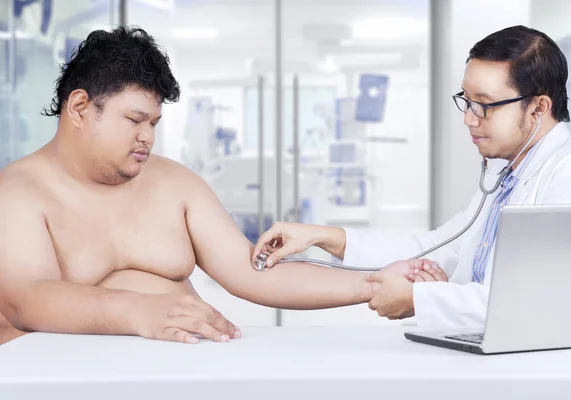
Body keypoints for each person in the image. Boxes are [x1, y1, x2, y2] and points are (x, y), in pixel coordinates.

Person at [0, 26, 432, 345]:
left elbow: (252, 275)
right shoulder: (19, 193)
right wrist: (138, 310)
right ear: (79, 107)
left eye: (154, 123)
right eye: (134, 120)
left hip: (185, 375)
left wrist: (374, 283)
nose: (147, 137)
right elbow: (28, 300)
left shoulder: (174, 183)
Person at [252, 25, 571, 327]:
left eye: (485, 104)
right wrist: (321, 236)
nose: (469, 118)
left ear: (538, 107)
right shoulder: (504, 172)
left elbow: (535, 304)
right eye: (467, 100)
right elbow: (438, 247)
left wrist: (421, 299)